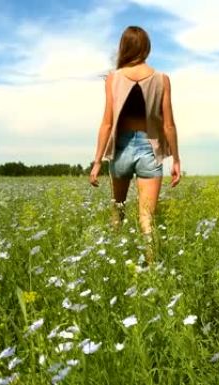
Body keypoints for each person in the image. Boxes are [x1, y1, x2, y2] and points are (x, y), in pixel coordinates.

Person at [89, 25, 180, 262]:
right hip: (150, 149)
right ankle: (152, 266)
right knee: (147, 217)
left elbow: (107, 123)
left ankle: (115, 261)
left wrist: (97, 162)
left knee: (118, 210)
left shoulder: (113, 79)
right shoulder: (162, 80)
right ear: (146, 48)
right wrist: (176, 160)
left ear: (124, 47)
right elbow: (169, 124)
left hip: (120, 149)